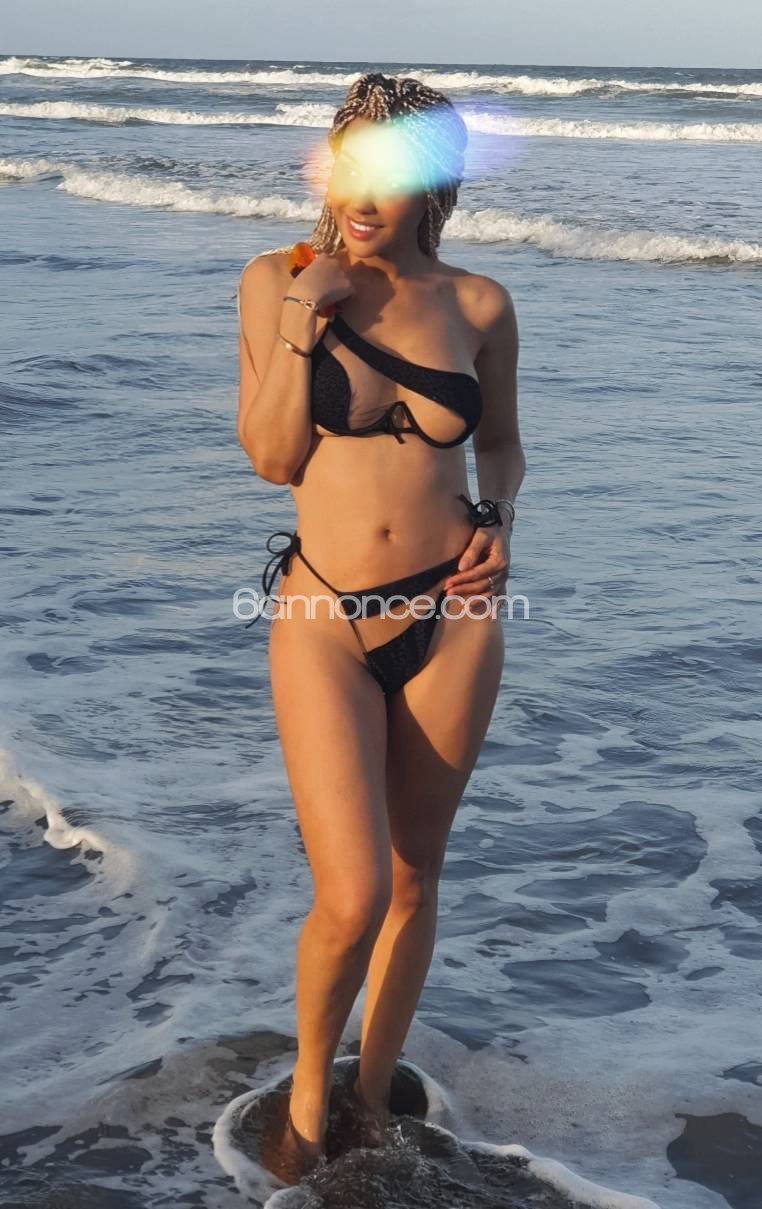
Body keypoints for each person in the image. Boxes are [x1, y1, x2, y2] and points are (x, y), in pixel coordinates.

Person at [236, 71, 525, 1185]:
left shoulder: (480, 304)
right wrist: (305, 324)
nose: (364, 195)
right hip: (322, 616)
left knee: (413, 878)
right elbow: (273, 457)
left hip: (453, 614)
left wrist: (499, 518)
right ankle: (308, 1105)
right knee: (351, 894)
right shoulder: (277, 279)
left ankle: (369, 1098)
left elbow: (499, 443)